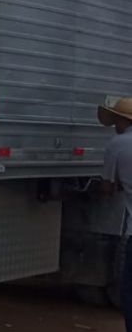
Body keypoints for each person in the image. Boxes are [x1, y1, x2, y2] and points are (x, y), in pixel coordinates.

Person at [98, 98, 132, 329]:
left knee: (129, 291)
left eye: (115, 120)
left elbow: (107, 188)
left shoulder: (118, 144)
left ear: (122, 120)